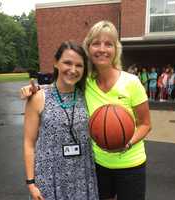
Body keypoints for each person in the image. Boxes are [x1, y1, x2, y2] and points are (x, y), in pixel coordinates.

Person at [21, 21, 151, 200]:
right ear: (88, 48)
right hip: (98, 165)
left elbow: (145, 124)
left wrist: (126, 143)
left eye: (108, 44)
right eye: (96, 43)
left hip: (130, 163)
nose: (102, 49)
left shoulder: (131, 82)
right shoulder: (86, 83)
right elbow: (60, 85)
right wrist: (33, 89)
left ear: (116, 49)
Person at [23, 41, 99, 200]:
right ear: (56, 63)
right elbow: (29, 143)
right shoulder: (38, 97)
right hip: (50, 178)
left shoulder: (86, 95)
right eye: (67, 63)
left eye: (79, 65)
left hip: (82, 177)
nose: (73, 70)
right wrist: (31, 183)